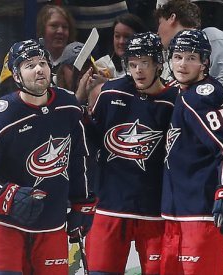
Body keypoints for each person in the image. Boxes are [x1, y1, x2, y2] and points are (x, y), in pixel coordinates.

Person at [0, 39, 96, 274]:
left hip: (51, 219)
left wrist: (83, 203)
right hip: (1, 220)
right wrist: (7, 194)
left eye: (42, 63)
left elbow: (80, 160)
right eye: (29, 65)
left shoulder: (69, 107)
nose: (39, 69)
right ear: (16, 76)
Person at [83, 32, 178, 275]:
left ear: (159, 62)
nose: (138, 70)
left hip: (154, 210)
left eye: (145, 63)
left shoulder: (174, 102)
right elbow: (91, 141)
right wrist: (80, 113)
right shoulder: (111, 92)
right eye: (133, 64)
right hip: (109, 207)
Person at [161, 29, 223, 274]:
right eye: (178, 56)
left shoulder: (201, 96)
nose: (183, 64)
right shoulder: (182, 92)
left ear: (205, 62)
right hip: (178, 214)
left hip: (200, 216)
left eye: (191, 58)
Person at [155, 0, 223, 139]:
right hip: (191, 136)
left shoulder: (212, 36)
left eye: (159, 23)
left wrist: (193, 112)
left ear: (172, 18)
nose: (157, 31)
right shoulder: (172, 56)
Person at [110, 13, 150, 78]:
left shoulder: (147, 68)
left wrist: (106, 83)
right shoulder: (108, 66)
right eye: (117, 36)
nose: (121, 41)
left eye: (127, 37)